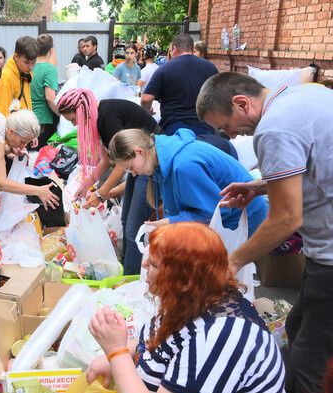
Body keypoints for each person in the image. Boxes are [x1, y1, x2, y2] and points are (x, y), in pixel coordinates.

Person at [197, 71, 333, 393]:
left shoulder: (273, 128)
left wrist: (232, 261)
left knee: (308, 365)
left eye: (227, 126)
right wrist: (259, 187)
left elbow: (286, 218)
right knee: (299, 328)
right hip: (323, 257)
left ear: (242, 103)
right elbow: (315, 163)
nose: (231, 135)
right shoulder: (308, 95)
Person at [86, 222, 285, 393]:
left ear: (184, 281)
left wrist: (116, 352)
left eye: (154, 264)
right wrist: (127, 351)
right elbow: (161, 341)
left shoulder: (217, 338)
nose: (144, 264)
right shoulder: (195, 297)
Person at [57, 89, 161, 274]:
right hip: (138, 165)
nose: (74, 124)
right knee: (126, 221)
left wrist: (100, 194)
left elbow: (121, 164)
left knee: (133, 229)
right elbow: (106, 160)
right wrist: (86, 185)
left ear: (81, 109)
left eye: (73, 119)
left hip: (149, 165)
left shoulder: (106, 117)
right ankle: (127, 273)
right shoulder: (99, 117)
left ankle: (131, 278)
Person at [108, 128, 268, 234]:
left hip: (242, 221)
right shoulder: (162, 159)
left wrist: (170, 222)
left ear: (139, 152)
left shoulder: (184, 166)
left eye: (130, 167)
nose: (133, 174)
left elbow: (216, 212)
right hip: (229, 220)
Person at [141, 34, 237, 158]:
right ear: (192, 49)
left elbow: (146, 99)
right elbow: (221, 96)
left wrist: (148, 110)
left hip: (173, 128)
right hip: (204, 126)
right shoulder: (210, 67)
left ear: (174, 49)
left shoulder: (165, 68)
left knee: (176, 161)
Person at [0, 107, 59, 209]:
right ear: (12, 131)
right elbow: (1, 183)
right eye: (22, 142)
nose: (22, 147)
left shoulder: (1, 120)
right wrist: (38, 190)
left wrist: (9, 150)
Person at [0, 36, 39, 116]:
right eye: (27, 62)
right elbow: (2, 114)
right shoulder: (5, 77)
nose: (31, 67)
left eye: (34, 62)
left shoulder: (25, 73)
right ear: (16, 56)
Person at [31, 34, 59, 149]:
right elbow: (50, 98)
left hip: (29, 118)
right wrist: (61, 115)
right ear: (51, 50)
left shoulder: (29, 66)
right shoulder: (50, 69)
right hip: (44, 120)